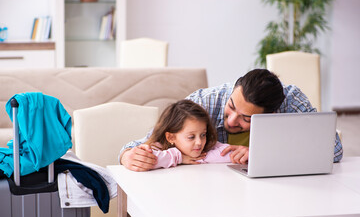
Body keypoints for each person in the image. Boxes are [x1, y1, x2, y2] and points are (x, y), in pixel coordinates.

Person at [119, 69, 343, 171]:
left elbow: (333, 150)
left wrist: (263, 151)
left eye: (246, 118)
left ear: (271, 115)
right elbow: (152, 140)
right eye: (232, 106)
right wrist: (128, 155)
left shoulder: (291, 101)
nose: (232, 120)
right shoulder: (205, 102)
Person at [147, 100, 231, 169]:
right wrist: (180, 158)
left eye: (203, 135)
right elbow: (148, 159)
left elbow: (230, 153)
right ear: (171, 137)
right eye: (191, 137)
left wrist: (201, 159)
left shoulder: (207, 146)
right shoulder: (158, 148)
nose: (199, 142)